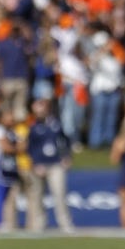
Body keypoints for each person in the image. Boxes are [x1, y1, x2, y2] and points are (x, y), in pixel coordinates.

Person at [25, 97, 75, 233]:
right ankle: (39, 224)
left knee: (59, 194)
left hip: (55, 164)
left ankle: (65, 224)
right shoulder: (33, 127)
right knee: (37, 197)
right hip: (39, 166)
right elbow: (29, 148)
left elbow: (65, 141)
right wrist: (35, 163)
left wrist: (66, 156)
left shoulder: (55, 124)